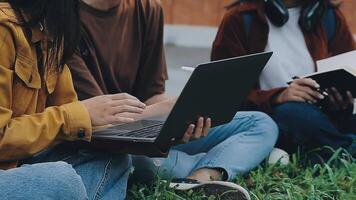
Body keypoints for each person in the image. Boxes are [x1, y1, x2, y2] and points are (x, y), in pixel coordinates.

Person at [67, 0, 279, 198]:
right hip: (109, 144)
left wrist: (182, 113)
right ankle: (229, 158)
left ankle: (200, 176)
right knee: (130, 162)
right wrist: (166, 108)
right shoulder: (64, 19)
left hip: (149, 129)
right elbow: (98, 121)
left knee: (261, 123)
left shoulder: (147, 7)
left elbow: (153, 94)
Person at [0, 0, 147, 199]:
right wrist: (78, 115)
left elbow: (71, 118)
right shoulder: (4, 28)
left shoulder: (49, 31)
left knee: (113, 159)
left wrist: (160, 133)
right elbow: (70, 116)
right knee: (61, 179)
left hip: (20, 162)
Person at [211, 0, 356, 161]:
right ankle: (345, 152)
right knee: (294, 113)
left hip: (323, 116)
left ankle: (338, 148)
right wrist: (279, 96)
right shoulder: (240, 19)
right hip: (274, 119)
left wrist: (340, 102)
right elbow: (223, 95)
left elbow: (348, 68)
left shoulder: (329, 15)